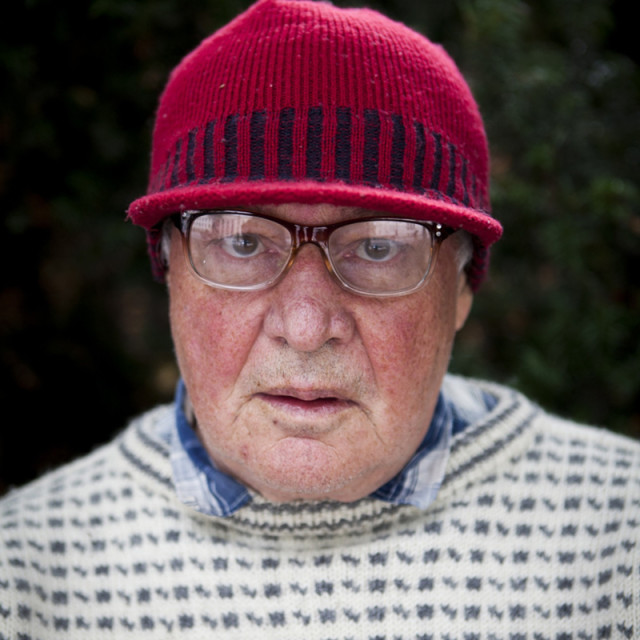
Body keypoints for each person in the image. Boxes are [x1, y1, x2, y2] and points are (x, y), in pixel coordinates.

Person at [1, 0, 638, 637]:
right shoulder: (26, 576)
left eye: (380, 247)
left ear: (463, 287)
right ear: (168, 268)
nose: (306, 327)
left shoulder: (619, 539)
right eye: (243, 243)